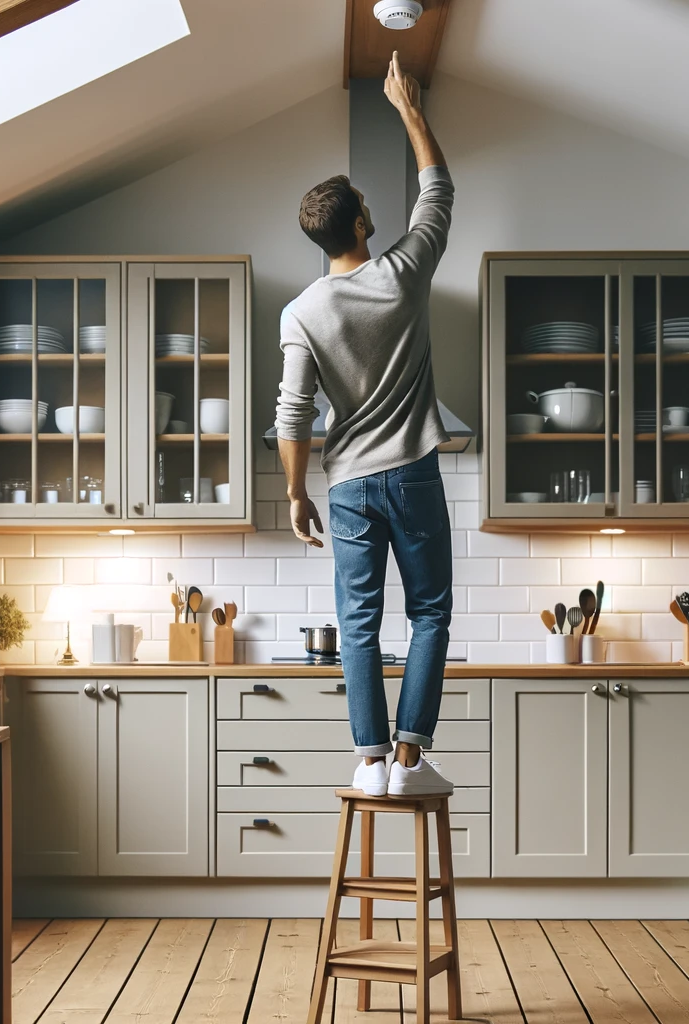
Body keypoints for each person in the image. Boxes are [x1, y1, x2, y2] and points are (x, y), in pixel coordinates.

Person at [273, 52, 454, 798]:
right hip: (410, 470)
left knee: (359, 626)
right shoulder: (403, 273)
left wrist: (294, 494)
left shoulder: (300, 313)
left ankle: (371, 761)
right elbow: (438, 189)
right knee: (431, 612)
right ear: (359, 223)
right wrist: (410, 110)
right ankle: (410, 762)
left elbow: (293, 413)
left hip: (346, 485)